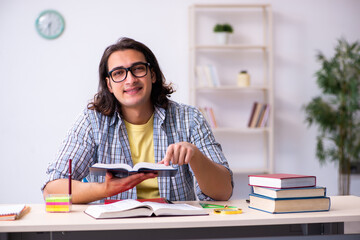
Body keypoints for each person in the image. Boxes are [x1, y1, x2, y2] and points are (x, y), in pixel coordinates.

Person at [42, 37, 233, 203]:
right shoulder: (92, 121)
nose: (130, 79)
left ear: (152, 74)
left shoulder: (189, 118)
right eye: (118, 73)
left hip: (174, 230)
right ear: (109, 84)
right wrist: (105, 190)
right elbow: (52, 190)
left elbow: (223, 192)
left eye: (138, 69)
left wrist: (195, 156)